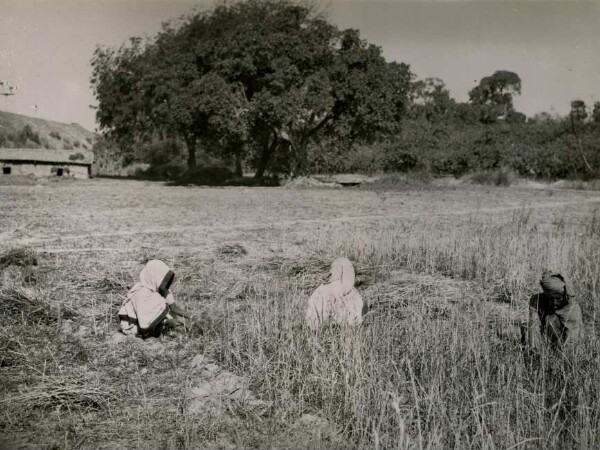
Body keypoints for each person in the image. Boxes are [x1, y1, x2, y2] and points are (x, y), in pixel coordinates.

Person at [118, 259, 193, 337]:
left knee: (178, 325)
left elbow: (173, 307)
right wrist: (169, 322)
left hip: (151, 320)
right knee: (170, 327)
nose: (164, 283)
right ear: (154, 277)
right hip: (134, 324)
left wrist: (191, 316)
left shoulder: (160, 288)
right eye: (162, 279)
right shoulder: (141, 293)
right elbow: (144, 320)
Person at [528, 269, 583, 349]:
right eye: (550, 298)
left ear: (564, 296)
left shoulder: (572, 306)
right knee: (549, 319)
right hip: (548, 339)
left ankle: (558, 351)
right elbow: (534, 326)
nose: (554, 303)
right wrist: (535, 350)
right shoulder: (537, 300)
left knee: (550, 319)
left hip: (571, 340)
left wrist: (567, 357)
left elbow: (573, 336)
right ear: (546, 294)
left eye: (558, 298)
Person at [306, 257, 366, 330]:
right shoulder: (353, 292)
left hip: (321, 329)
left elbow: (312, 307)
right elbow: (358, 316)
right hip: (346, 330)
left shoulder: (321, 288)